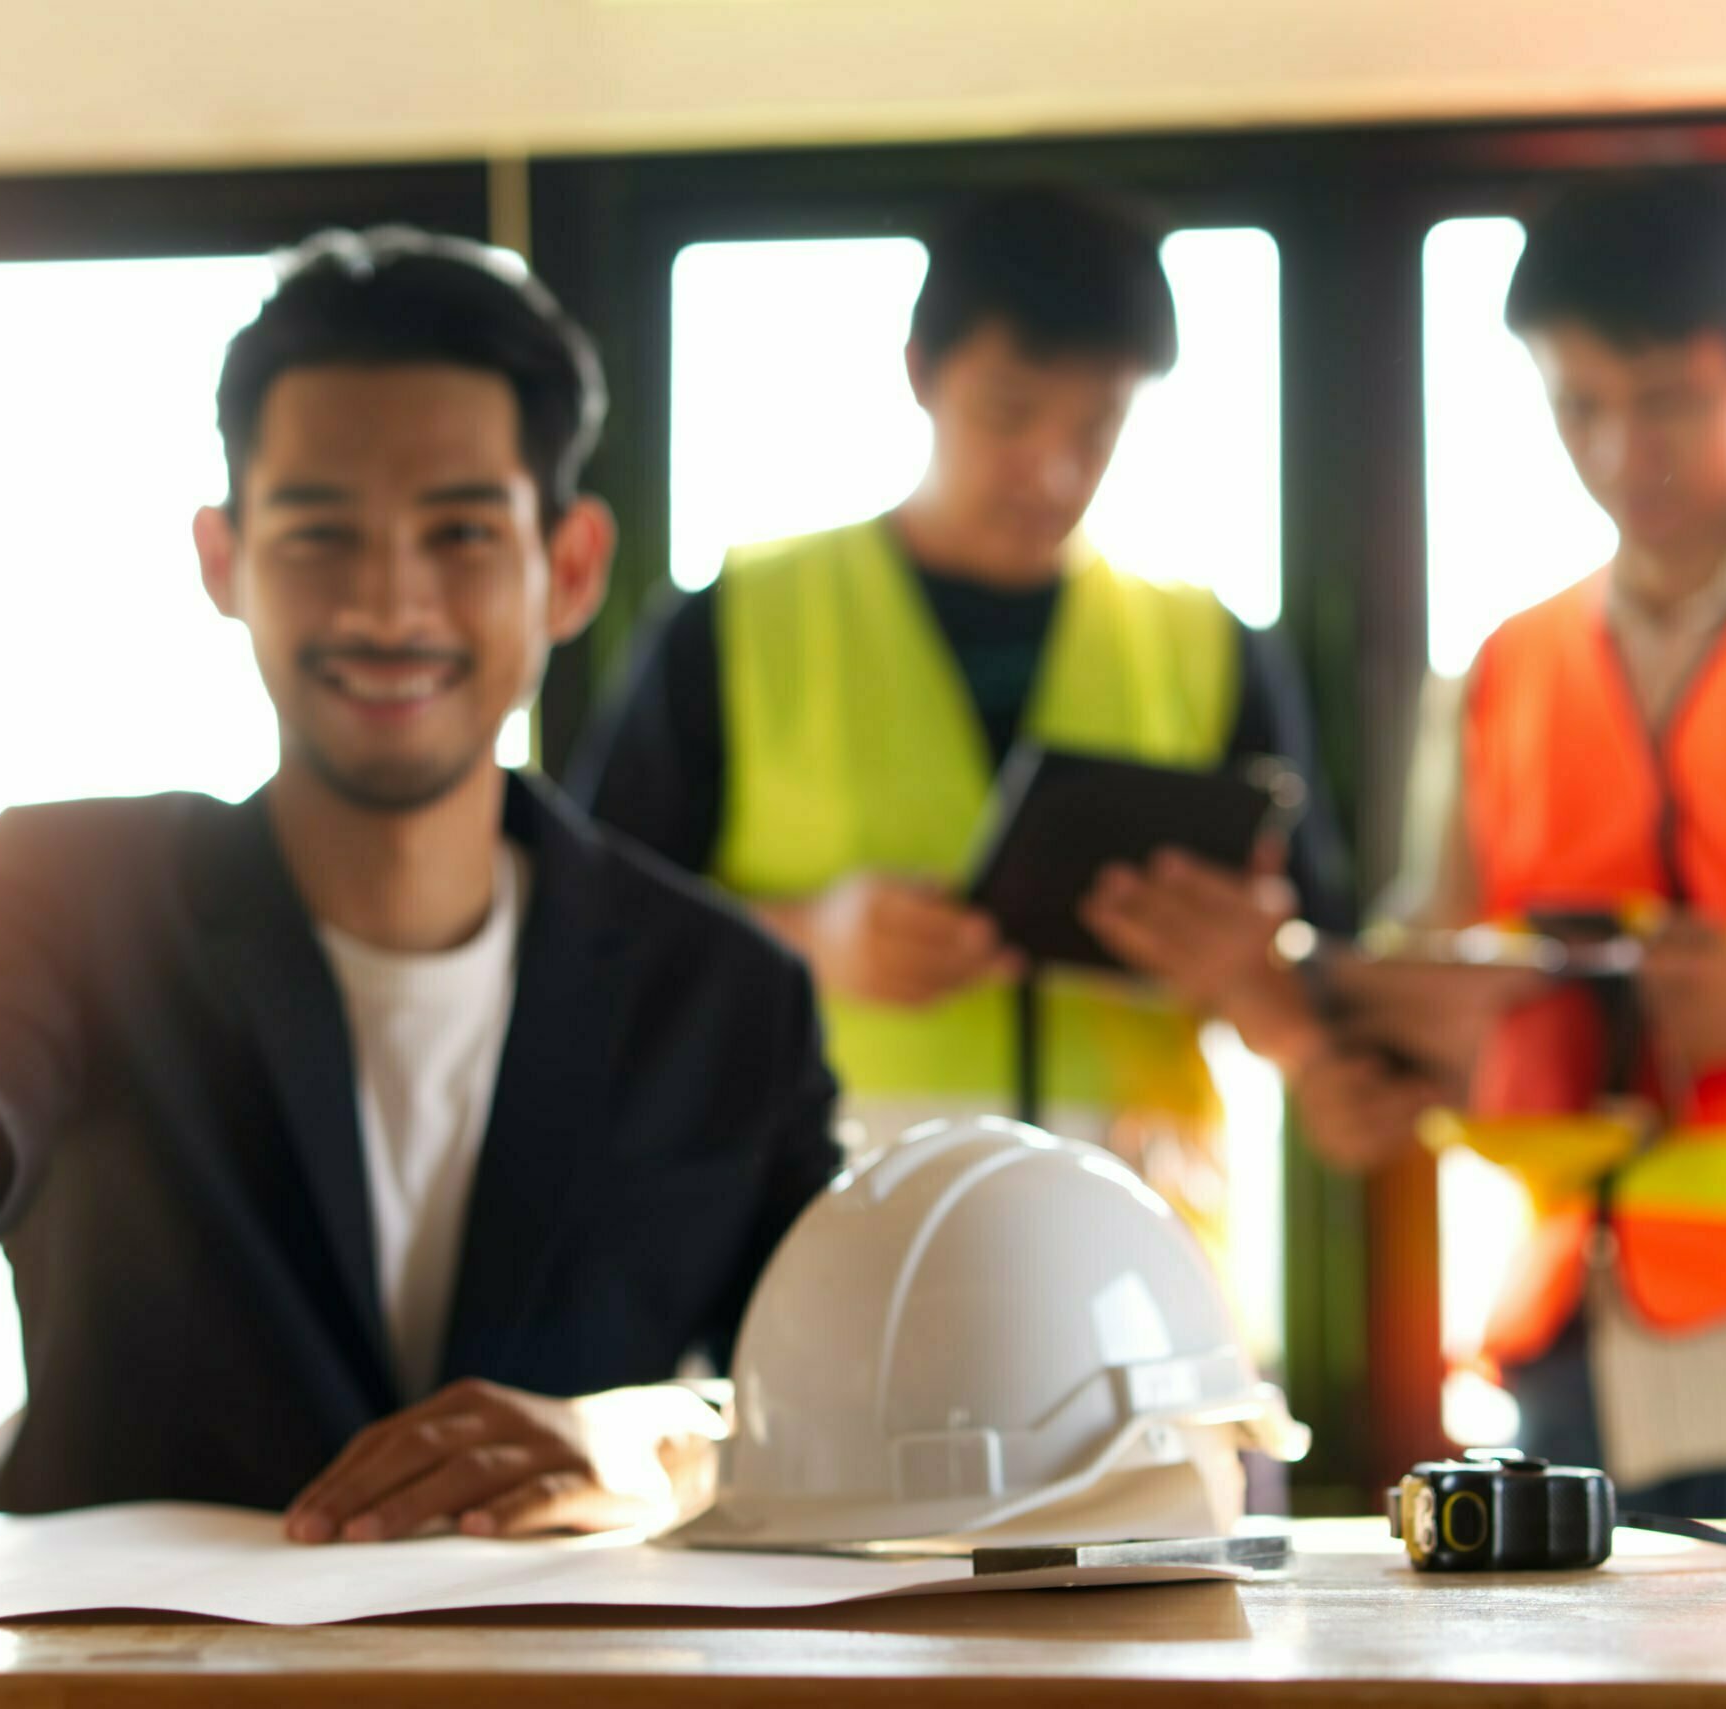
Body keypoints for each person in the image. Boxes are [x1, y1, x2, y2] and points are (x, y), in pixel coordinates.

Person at [0, 228, 843, 1538]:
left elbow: (847, 1386)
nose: (390, 602)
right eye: (322, 534)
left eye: (459, 534)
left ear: (569, 567)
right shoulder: (73, 883)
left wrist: (661, 1441)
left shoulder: (732, 997)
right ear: (223, 559)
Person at [571, 184, 1352, 1235]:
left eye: (1098, 423)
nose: (1054, 467)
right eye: (1011, 413)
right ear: (920, 373)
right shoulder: (732, 622)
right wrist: (811, 936)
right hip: (821, 1241)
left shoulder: (1215, 646)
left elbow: (1322, 964)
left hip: (1132, 1269)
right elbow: (593, 932)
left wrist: (1251, 968)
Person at [1385, 172, 1726, 1538]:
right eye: (1575, 406)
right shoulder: (1500, 668)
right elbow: (1440, 948)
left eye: (1664, 402)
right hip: (1566, 1354)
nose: (1616, 452)